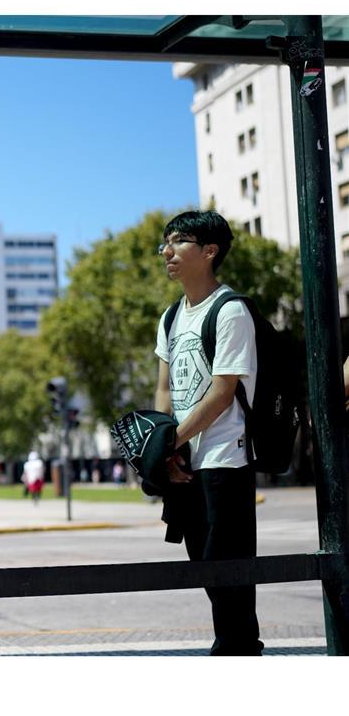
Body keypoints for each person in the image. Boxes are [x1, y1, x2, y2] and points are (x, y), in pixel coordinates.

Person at [154, 210, 263, 655]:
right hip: (185, 461)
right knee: (203, 567)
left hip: (225, 460)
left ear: (210, 251)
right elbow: (164, 387)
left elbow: (222, 392)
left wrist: (174, 439)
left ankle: (238, 650)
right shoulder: (171, 317)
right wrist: (163, 446)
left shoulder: (229, 310)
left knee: (228, 570)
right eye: (165, 243)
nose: (167, 251)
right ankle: (234, 647)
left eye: (178, 242)